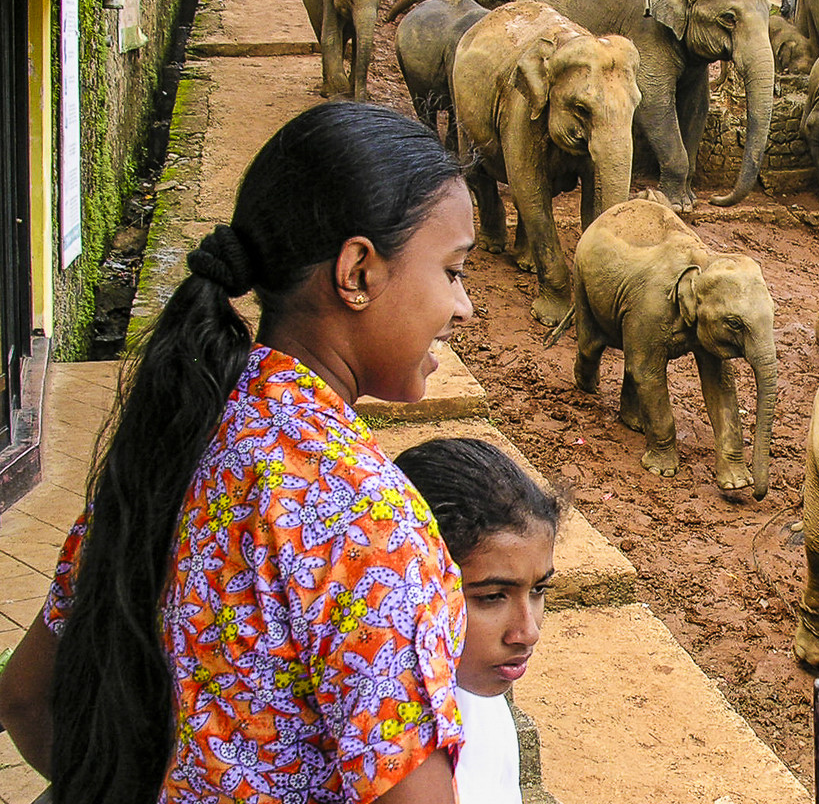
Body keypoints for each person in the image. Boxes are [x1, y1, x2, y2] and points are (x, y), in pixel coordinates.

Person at [0, 103, 474, 803]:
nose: (462, 306)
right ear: (358, 272)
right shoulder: (365, 519)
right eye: (452, 271)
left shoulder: (183, 429)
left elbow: (24, 700)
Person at [395, 437, 560, 804]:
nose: (527, 632)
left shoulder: (486, 709)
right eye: (491, 597)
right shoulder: (392, 747)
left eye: (538, 590)